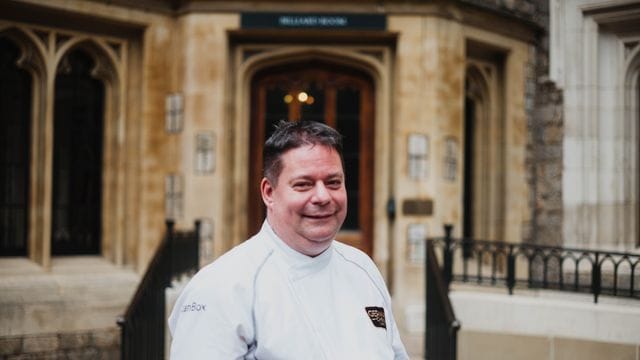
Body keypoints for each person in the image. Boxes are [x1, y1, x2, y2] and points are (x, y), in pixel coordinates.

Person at [168, 120, 409, 359]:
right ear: (269, 193)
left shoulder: (363, 268)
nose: (323, 196)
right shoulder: (221, 287)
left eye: (333, 182)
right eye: (303, 184)